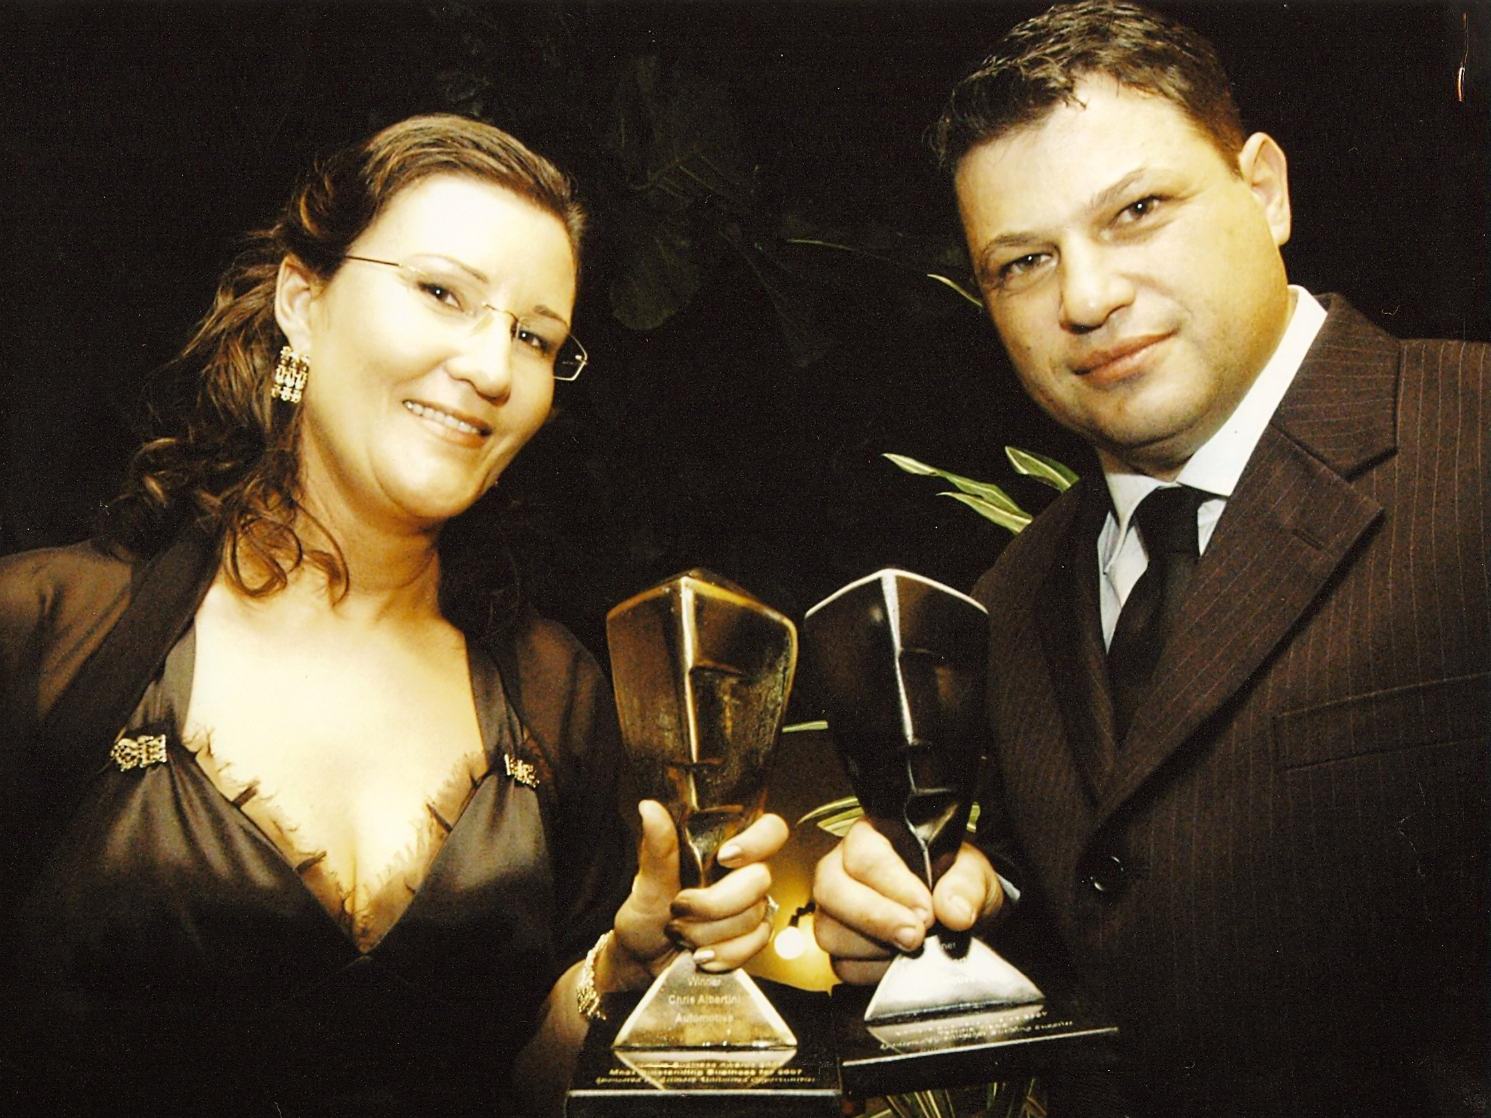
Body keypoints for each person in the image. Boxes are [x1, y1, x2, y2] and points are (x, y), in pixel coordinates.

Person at [0, 114, 786, 1118]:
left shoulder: (559, 695)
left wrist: (622, 967)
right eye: (442, 292)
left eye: (535, 336)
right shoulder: (46, 632)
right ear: (303, 300)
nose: (494, 369)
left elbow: (533, 1089)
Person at [812, 3, 1488, 1114]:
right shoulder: (1007, 607)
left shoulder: (1474, 446)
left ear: (1264, 189)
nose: (1086, 298)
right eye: (1023, 261)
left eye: (1137, 211)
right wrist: (919, 937)